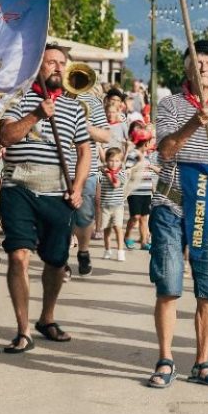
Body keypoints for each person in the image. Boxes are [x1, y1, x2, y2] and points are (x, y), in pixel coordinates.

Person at [147, 40, 208, 388]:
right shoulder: (170, 104)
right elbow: (167, 150)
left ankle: (202, 362)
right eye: (197, 61)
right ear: (187, 66)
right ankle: (165, 359)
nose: (203, 67)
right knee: (169, 284)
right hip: (171, 204)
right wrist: (194, 124)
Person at [0, 44, 91, 353]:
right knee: (18, 255)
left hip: (57, 189)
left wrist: (77, 187)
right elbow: (6, 137)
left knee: (56, 260)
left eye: (62, 63)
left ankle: (46, 317)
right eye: (51, 62)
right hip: (19, 186)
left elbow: (84, 151)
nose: (58, 68)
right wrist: (37, 113)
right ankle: (23, 330)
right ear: (39, 66)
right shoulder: (18, 98)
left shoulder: (75, 107)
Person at [73, 84, 113, 277]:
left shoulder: (93, 103)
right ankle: (60, 260)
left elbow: (105, 135)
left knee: (84, 217)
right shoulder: (54, 99)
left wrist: (83, 126)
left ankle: (83, 250)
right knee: (60, 217)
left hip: (86, 169)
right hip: (57, 167)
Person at [123, 125, 156, 250]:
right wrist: (139, 162)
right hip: (135, 191)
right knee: (135, 217)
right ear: (145, 142)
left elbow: (149, 174)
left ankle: (144, 242)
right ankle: (127, 236)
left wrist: (152, 188)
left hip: (146, 191)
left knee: (144, 218)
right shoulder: (133, 154)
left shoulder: (147, 156)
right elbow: (128, 170)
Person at [100, 147, 127, 260]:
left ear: (121, 162)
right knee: (106, 229)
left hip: (117, 206)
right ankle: (107, 250)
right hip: (105, 206)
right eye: (111, 160)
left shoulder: (122, 173)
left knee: (118, 227)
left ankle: (120, 251)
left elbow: (115, 184)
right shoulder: (102, 173)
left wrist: (108, 174)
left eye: (117, 161)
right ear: (106, 160)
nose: (114, 163)